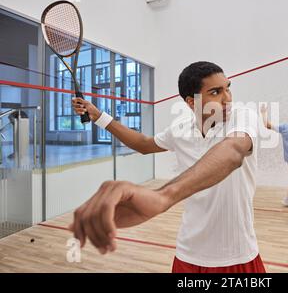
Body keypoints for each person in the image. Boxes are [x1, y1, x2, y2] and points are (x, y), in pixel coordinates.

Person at [70, 61, 266, 273]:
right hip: (187, 255)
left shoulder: (243, 116)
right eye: (216, 92)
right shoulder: (180, 131)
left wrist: (164, 196)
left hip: (238, 257)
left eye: (228, 88)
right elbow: (143, 144)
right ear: (192, 102)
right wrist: (99, 117)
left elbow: (234, 150)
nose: (227, 98)